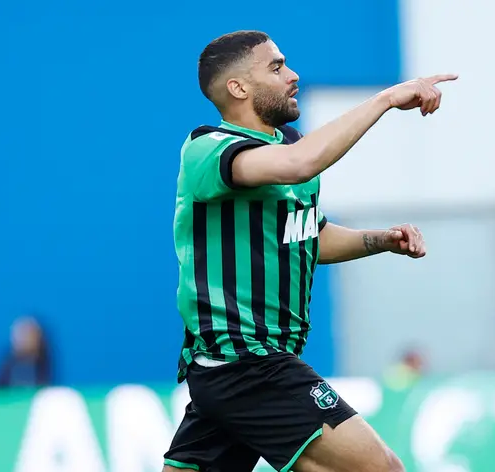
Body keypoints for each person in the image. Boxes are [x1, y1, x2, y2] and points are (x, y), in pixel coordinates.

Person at [164, 30, 456, 472]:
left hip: (233, 370)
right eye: (276, 67)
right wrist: (385, 99)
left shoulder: (290, 145)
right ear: (238, 88)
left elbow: (308, 236)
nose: (293, 75)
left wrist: (378, 240)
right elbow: (300, 165)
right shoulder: (209, 149)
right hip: (248, 363)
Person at [0, 315, 52, 388]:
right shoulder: (5, 365)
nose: (24, 339)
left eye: (28, 333)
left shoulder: (43, 363)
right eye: (21, 333)